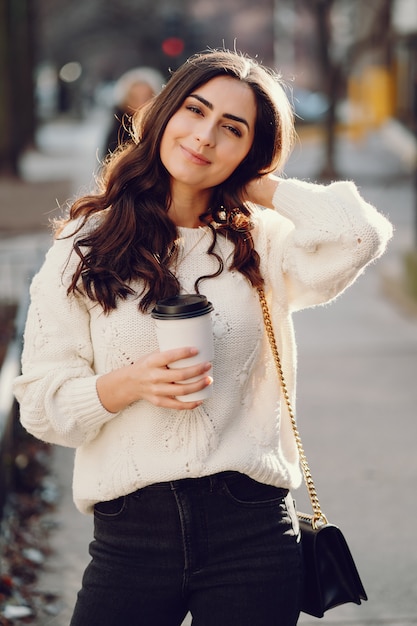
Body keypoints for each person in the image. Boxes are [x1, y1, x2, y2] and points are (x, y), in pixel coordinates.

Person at [13, 49, 392, 626]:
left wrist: (259, 189)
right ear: (165, 113)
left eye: (232, 129)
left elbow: (359, 234)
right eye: (195, 110)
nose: (205, 136)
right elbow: (41, 407)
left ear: (250, 152)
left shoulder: (262, 242)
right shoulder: (85, 243)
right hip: (130, 532)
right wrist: (127, 384)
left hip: (252, 528)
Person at [102, 66, 165, 155]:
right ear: (125, 100)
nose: (141, 104)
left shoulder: (162, 129)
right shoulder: (116, 132)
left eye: (147, 97)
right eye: (134, 98)